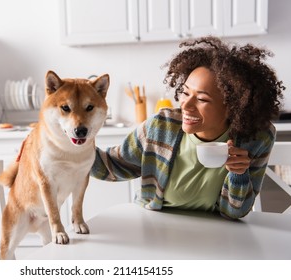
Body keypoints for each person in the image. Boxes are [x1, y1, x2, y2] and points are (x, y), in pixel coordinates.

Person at [91, 36, 285, 219]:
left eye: (201, 99)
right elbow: (112, 166)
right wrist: (67, 144)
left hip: (217, 235)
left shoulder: (257, 138)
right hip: (156, 225)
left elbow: (235, 213)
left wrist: (239, 175)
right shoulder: (162, 127)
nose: (186, 105)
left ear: (232, 107)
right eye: (185, 92)